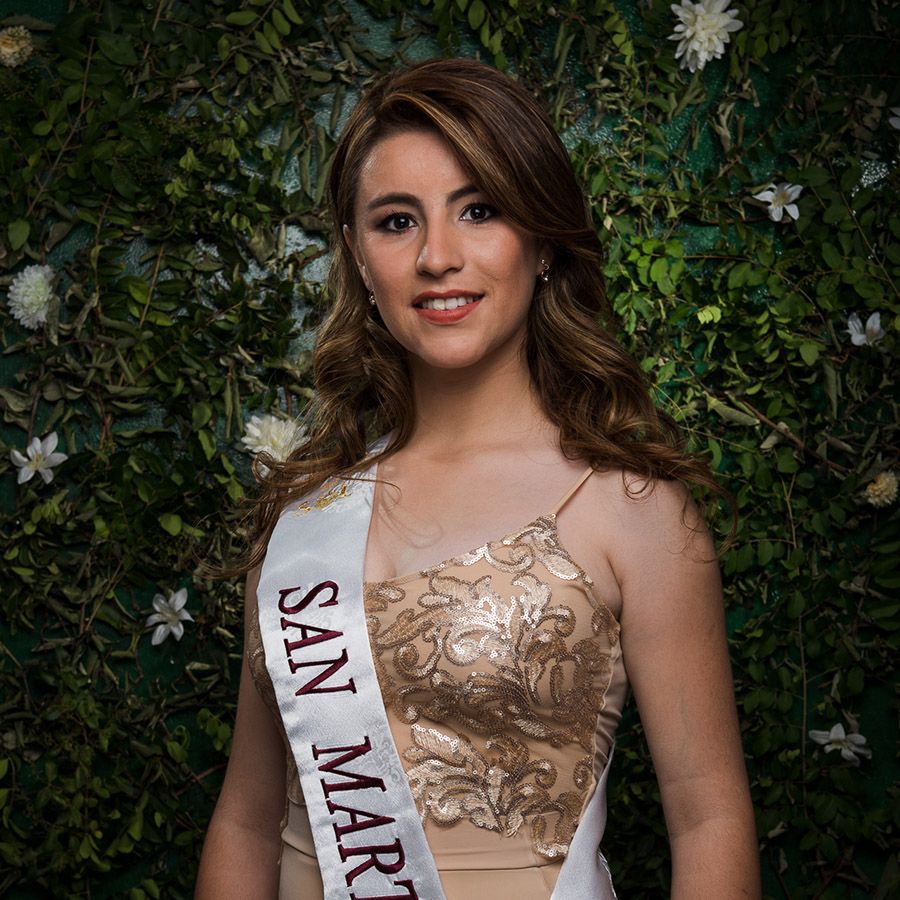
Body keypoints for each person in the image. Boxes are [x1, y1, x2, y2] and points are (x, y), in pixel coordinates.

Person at [196, 58, 760, 899]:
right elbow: (247, 824)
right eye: (397, 221)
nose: (438, 256)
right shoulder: (302, 520)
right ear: (359, 255)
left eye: (480, 210)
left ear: (541, 240)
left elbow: (710, 819)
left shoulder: (630, 510)